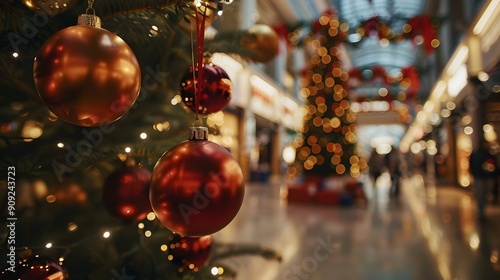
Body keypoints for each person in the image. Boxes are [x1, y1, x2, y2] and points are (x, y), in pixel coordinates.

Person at [469, 140, 497, 221]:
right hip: (480, 177)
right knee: (481, 195)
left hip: (485, 177)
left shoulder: (488, 154)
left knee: (484, 194)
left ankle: (482, 211)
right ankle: (481, 211)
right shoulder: (478, 154)